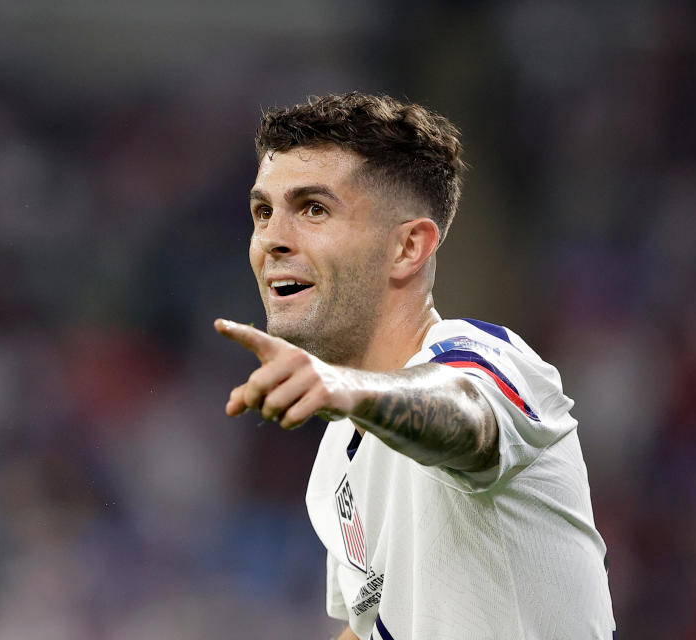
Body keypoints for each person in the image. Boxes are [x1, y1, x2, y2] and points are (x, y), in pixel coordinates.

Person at [214, 92, 615, 639]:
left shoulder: (484, 359)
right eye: (264, 211)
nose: (273, 240)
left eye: (313, 209)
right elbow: (372, 628)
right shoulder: (337, 455)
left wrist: (346, 390)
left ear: (408, 247)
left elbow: (467, 417)